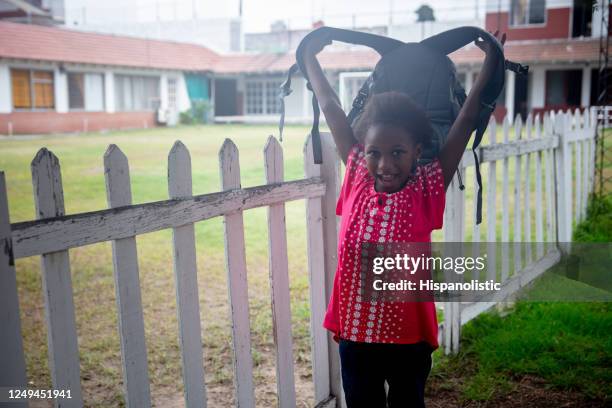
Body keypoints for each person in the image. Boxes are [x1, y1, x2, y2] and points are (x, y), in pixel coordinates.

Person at [302, 31, 506, 408]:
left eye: (397, 152)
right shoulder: (359, 176)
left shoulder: (426, 187)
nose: (385, 163)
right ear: (364, 153)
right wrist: (310, 59)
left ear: (417, 151)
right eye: (375, 152)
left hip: (407, 342)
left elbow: (464, 121)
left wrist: (491, 63)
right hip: (357, 337)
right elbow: (331, 107)